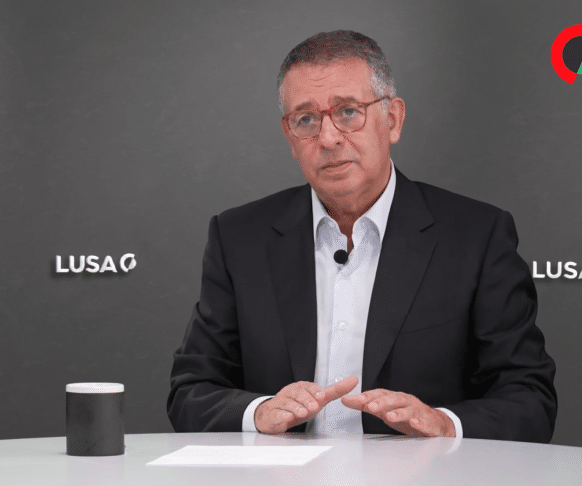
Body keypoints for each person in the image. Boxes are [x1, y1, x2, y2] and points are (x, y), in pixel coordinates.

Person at [167, 31, 557, 442]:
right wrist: (260, 412)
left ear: (393, 120)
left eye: (348, 112)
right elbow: (191, 391)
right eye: (306, 120)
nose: (329, 138)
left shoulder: (476, 235)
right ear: (290, 137)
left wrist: (442, 424)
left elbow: (530, 399)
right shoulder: (239, 238)